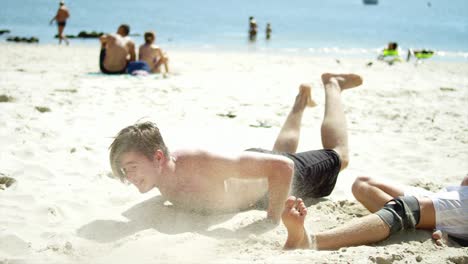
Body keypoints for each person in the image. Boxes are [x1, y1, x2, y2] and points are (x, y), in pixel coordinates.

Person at [108, 73, 363, 223]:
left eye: (132, 168)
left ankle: (333, 84)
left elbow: (283, 167)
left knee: (339, 156)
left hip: (272, 179)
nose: (129, 177)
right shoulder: (158, 178)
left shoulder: (195, 163)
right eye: (124, 170)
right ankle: (301, 101)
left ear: (158, 157)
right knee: (278, 154)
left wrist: (272, 220)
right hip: (253, 178)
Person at [281, 175, 468, 250]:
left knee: (406, 208)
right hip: (458, 194)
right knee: (363, 184)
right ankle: (409, 219)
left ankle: (310, 242)